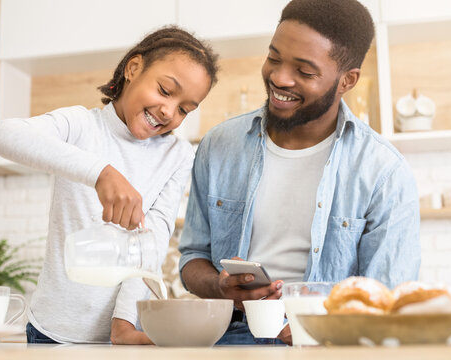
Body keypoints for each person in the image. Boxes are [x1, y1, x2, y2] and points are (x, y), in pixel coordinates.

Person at [179, 0, 420, 345]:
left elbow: (389, 298)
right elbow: (192, 258)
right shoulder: (219, 146)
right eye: (274, 58)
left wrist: (324, 329)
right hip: (227, 338)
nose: (279, 77)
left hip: (333, 347)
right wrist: (219, 286)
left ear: (346, 81)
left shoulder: (383, 171)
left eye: (305, 72)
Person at [0, 26, 218, 345]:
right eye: (165, 91)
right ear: (133, 68)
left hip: (118, 337)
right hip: (50, 331)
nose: (169, 111)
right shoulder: (82, 126)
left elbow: (151, 245)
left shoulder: (177, 155)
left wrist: (122, 324)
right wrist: (100, 173)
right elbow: (3, 135)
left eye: (184, 109)